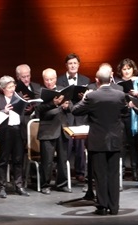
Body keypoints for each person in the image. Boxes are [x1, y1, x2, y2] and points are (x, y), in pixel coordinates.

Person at [72, 64, 126, 215]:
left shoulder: (92, 96)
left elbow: (75, 111)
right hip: (115, 139)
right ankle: (114, 208)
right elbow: (125, 111)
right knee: (114, 175)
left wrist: (84, 98)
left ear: (97, 80)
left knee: (100, 175)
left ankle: (102, 206)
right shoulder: (120, 95)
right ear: (110, 78)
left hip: (98, 141)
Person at [35, 68, 72, 194]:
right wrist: (53, 103)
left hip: (63, 129)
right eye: (47, 79)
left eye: (51, 79)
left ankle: (62, 184)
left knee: (63, 159)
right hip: (48, 130)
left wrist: (68, 106)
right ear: (43, 80)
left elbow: (71, 107)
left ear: (56, 78)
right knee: (47, 161)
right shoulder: (39, 92)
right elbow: (38, 111)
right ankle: (45, 185)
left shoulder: (62, 89)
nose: (49, 82)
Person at [0, 75, 30, 198]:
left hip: (18, 130)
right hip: (5, 132)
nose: (12, 89)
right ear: (3, 88)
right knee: (3, 160)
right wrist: (4, 111)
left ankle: (19, 185)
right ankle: (1, 187)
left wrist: (27, 108)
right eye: (9, 87)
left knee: (18, 160)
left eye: (13, 86)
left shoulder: (18, 98)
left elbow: (24, 114)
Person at [57, 53, 90, 182]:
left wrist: (83, 98)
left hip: (80, 115)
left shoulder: (85, 80)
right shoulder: (60, 81)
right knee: (66, 145)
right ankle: (65, 173)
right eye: (70, 63)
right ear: (66, 65)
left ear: (79, 65)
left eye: (75, 63)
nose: (73, 65)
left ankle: (80, 172)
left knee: (80, 146)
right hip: (66, 115)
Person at [115, 58, 138, 181]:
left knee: (133, 144)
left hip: (134, 117)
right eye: (124, 69)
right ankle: (120, 171)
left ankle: (134, 171)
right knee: (121, 145)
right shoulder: (117, 84)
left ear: (133, 69)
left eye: (129, 69)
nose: (126, 71)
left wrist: (137, 94)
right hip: (121, 116)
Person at [15, 64, 41, 147]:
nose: (26, 79)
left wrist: (33, 107)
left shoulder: (37, 86)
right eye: (23, 77)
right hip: (21, 121)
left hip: (35, 118)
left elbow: (41, 101)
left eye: (28, 76)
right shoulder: (13, 89)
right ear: (18, 77)